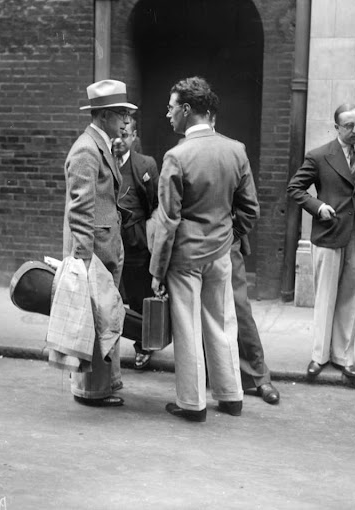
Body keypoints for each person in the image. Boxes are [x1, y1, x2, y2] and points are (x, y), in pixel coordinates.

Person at [150, 77, 259, 422]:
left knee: (188, 329)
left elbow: (168, 221)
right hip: (220, 253)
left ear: (185, 110)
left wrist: (157, 270)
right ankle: (231, 396)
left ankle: (192, 404)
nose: (167, 115)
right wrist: (229, 237)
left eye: (171, 108)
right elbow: (250, 209)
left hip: (184, 258)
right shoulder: (235, 149)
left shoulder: (176, 156)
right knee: (222, 323)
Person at [287, 104, 355, 380]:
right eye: (349, 126)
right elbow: (295, 188)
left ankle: (344, 357)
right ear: (337, 128)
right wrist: (318, 207)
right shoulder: (319, 156)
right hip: (329, 233)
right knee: (326, 297)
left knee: (351, 298)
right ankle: (319, 356)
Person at [64, 79, 136, 407]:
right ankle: (92, 390)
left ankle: (106, 382)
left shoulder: (99, 144)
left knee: (106, 318)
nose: (126, 120)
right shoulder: (86, 148)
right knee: (96, 320)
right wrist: (83, 262)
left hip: (106, 247)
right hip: (95, 253)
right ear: (105, 115)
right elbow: (80, 210)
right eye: (121, 113)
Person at [207, 110, 280, 405]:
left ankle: (257, 377)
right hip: (191, 247)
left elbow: (249, 206)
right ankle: (214, 377)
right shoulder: (180, 152)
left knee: (238, 308)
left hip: (226, 245)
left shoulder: (233, 150)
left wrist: (232, 235)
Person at [112, 119, 159, 370]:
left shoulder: (145, 164)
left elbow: (154, 204)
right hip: (110, 243)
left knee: (140, 297)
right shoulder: (103, 161)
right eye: (116, 135)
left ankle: (143, 346)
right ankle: (109, 350)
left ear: (134, 136)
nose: (119, 140)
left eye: (125, 134)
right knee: (112, 298)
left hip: (136, 244)